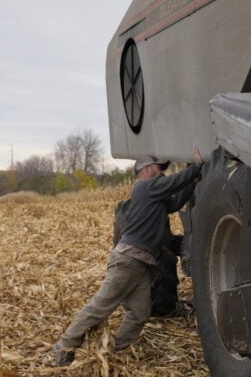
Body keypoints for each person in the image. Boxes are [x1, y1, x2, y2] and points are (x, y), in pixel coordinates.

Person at [52, 147, 203, 367]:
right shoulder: (144, 188)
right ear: (146, 169)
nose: (162, 173)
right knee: (100, 307)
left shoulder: (155, 199)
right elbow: (172, 184)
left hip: (141, 265)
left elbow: (175, 201)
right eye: (159, 169)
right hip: (127, 261)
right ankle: (64, 346)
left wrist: (194, 181)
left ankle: (113, 351)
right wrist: (196, 166)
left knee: (139, 314)